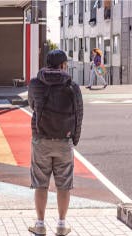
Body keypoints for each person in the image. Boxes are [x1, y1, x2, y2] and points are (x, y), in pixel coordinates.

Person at [26, 49, 83, 236]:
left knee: (40, 184)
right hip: (64, 139)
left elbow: (33, 105)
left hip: (41, 139)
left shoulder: (35, 83)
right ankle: (61, 224)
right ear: (63, 65)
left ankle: (40, 224)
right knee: (64, 184)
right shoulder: (72, 86)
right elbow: (78, 114)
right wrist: (74, 138)